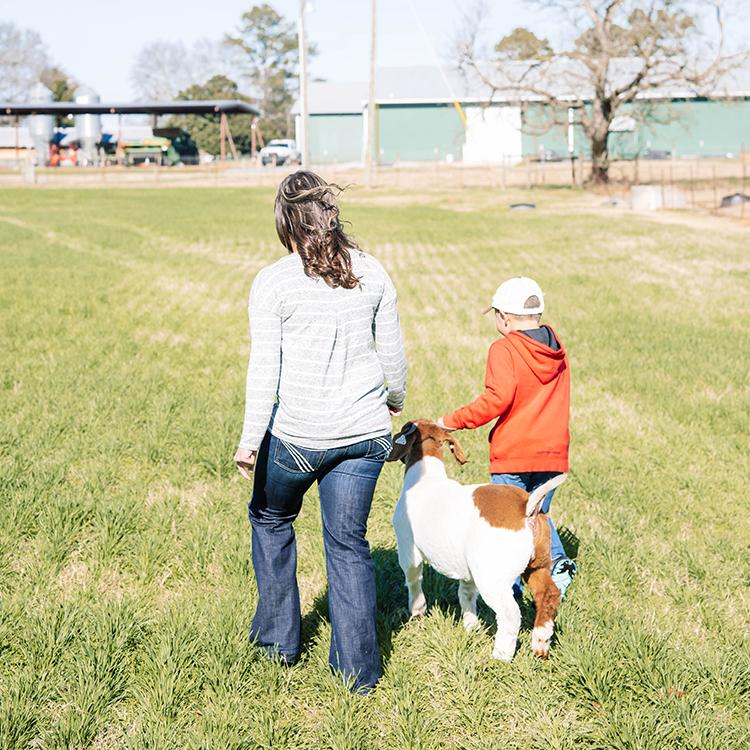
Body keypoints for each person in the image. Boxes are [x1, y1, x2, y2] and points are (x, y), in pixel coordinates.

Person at [233, 170, 407, 693]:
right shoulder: (373, 271)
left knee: (269, 517)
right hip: (365, 436)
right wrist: (393, 403)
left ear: (286, 223)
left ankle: (277, 645)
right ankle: (358, 674)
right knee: (348, 543)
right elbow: (393, 357)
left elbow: (264, 368)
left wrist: (248, 442)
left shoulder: (274, 281)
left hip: (298, 439)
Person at [437, 277, 576, 599]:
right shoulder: (557, 349)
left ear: (504, 317)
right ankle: (555, 565)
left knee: (511, 527)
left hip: (514, 452)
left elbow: (495, 400)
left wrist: (451, 421)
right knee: (537, 516)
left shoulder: (504, 349)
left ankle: (508, 594)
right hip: (553, 452)